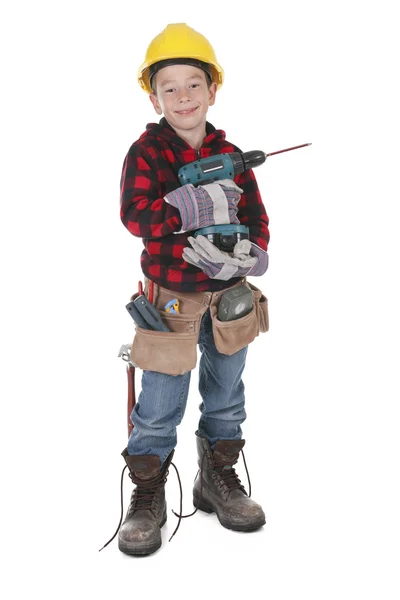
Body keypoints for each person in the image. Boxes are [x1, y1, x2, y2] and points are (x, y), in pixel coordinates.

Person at [115, 23, 270, 556]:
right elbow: (135, 216)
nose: (183, 97)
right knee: (159, 400)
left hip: (230, 293)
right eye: (170, 87)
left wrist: (255, 251)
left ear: (213, 89)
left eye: (193, 84)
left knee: (227, 393)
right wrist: (182, 207)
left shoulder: (231, 154)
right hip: (173, 296)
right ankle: (147, 495)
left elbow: (256, 217)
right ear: (153, 95)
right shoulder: (147, 152)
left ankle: (217, 479)